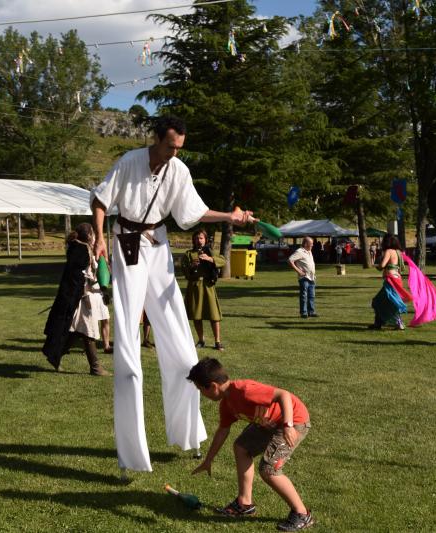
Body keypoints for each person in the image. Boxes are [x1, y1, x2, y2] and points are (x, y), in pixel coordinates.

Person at [90, 115, 254, 473]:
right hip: (127, 244)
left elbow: (193, 212)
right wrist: (101, 238)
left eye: (179, 148)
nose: (174, 153)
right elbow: (100, 200)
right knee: (129, 352)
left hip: (158, 245)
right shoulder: (130, 161)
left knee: (181, 344)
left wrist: (231, 217)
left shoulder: (178, 170)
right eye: (169, 147)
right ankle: (132, 455)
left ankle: (188, 435)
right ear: (157, 139)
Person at [188, 357, 314, 532]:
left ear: (213, 386)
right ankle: (244, 503)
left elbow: (283, 394)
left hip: (294, 419)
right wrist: (208, 460)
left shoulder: (244, 391)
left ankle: (302, 514)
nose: (202, 394)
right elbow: (222, 431)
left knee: (269, 469)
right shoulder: (227, 404)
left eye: (201, 390)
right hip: (268, 423)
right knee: (241, 448)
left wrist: (288, 425)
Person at [41, 223, 110, 376]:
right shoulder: (81, 250)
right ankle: (96, 367)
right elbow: (79, 277)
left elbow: (84, 275)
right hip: (81, 298)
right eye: (93, 234)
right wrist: (85, 292)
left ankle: (55, 355)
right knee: (88, 331)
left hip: (81, 296)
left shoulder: (81, 249)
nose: (94, 238)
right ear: (89, 236)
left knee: (76, 331)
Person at [182, 228, 226, 350]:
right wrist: (191, 266)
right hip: (195, 286)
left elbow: (223, 261)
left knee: (214, 315)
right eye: (196, 238)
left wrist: (210, 259)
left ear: (205, 239)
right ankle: (201, 340)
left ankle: (217, 341)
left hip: (208, 286)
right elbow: (184, 271)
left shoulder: (210, 251)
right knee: (196, 315)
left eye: (201, 238)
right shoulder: (189, 254)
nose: (198, 240)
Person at [369, 234, 412, 330]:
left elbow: (382, 265)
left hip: (391, 279)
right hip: (397, 278)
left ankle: (397, 322)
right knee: (386, 301)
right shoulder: (399, 252)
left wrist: (377, 266)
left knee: (380, 301)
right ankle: (379, 323)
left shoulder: (389, 251)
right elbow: (401, 268)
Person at [288, 236, 317, 318]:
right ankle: (304, 313)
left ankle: (311, 311)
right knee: (304, 295)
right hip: (304, 278)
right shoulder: (299, 251)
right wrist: (299, 271)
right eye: (311, 243)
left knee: (312, 296)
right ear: (305, 243)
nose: (312, 245)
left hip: (312, 277)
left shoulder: (309, 251)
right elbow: (290, 260)